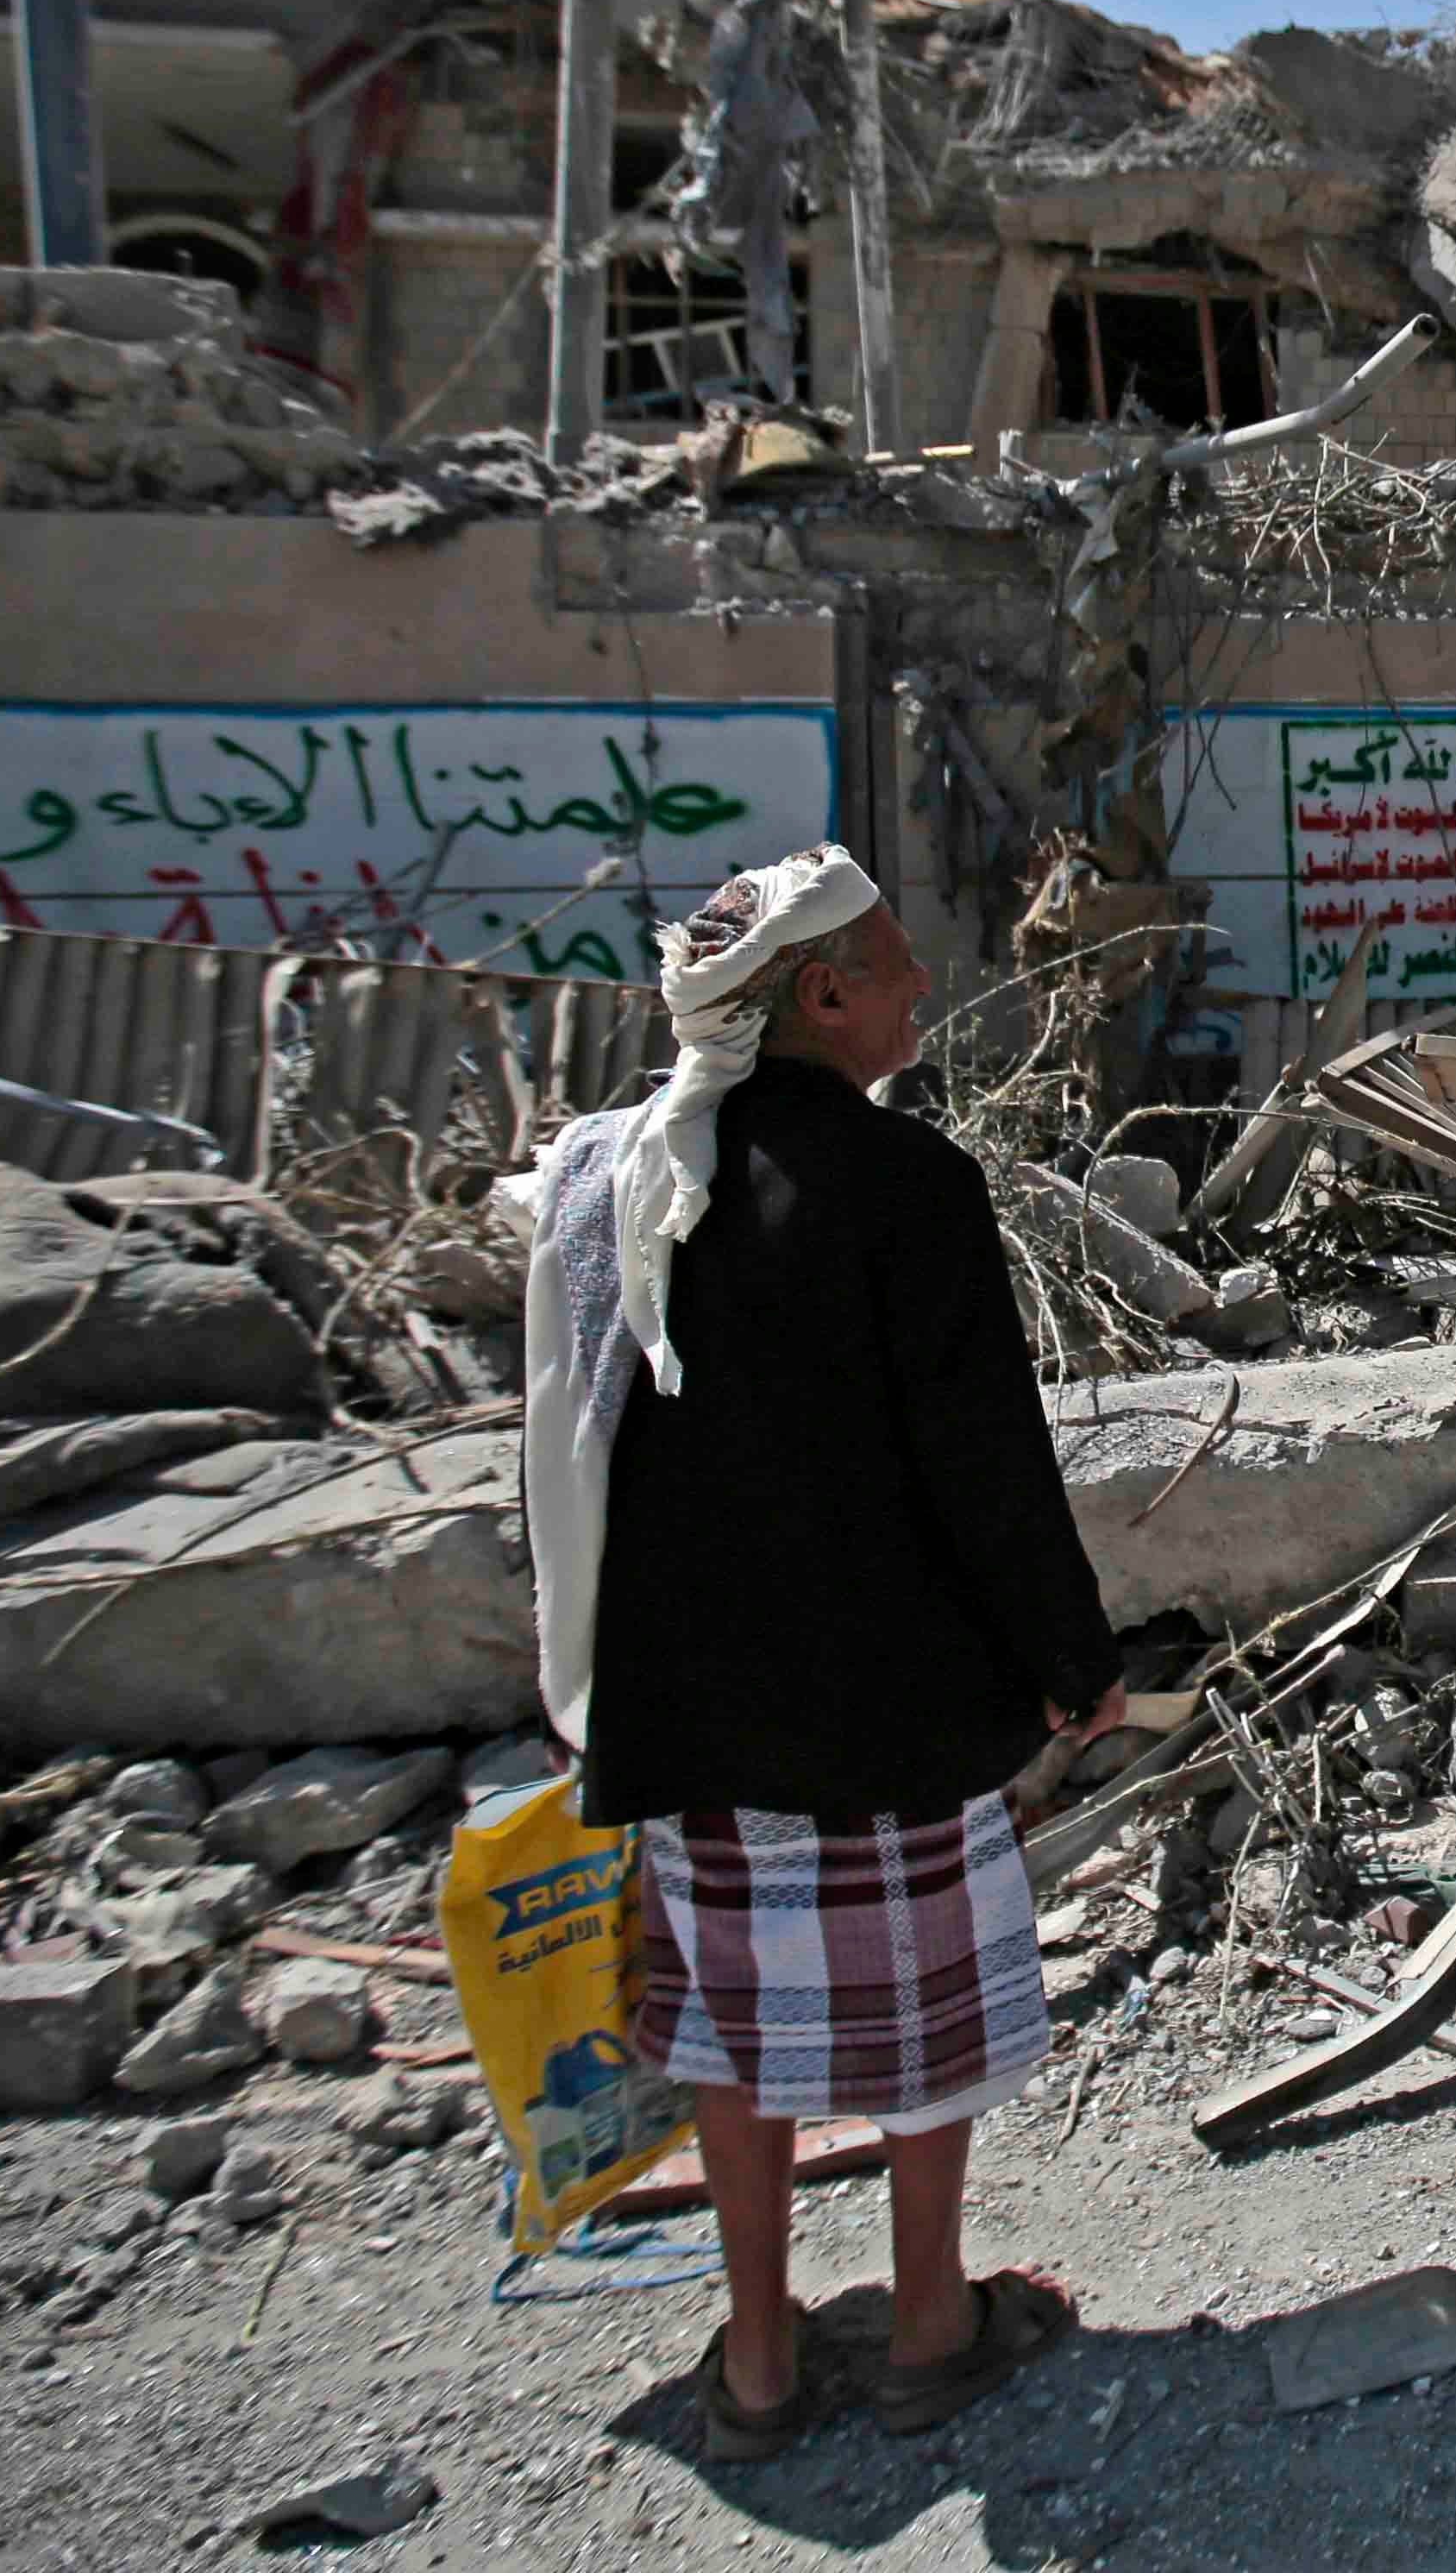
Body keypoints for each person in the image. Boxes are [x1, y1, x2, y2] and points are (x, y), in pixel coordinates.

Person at [516, 844, 1136, 2459]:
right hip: (888, 1705)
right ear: (823, 992)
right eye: (895, 958)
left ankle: (762, 2362)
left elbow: (566, 1438)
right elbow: (987, 1466)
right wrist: (1074, 1662)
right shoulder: (907, 1185)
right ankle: (932, 2326)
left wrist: (588, 1674)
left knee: (737, 2025)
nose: (922, 984)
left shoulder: (608, 1178)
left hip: (690, 1706)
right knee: (918, 2017)